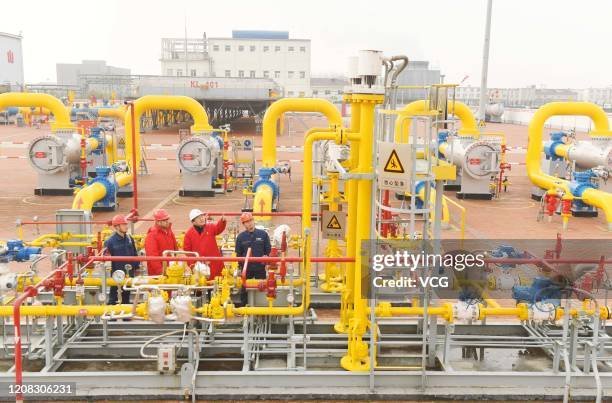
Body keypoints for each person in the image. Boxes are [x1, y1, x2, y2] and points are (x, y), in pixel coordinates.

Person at [235, 212, 271, 305]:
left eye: (250, 220)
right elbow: (238, 254)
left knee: (262, 287)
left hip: (260, 267)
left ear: (253, 220)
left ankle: (261, 308)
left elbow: (268, 250)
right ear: (243, 224)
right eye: (246, 222)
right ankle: (244, 309)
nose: (249, 223)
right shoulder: (240, 237)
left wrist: (266, 257)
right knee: (244, 289)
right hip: (246, 269)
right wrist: (240, 267)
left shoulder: (263, 234)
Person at [104, 214, 139, 304]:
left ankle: (125, 317)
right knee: (113, 298)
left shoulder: (129, 238)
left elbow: (135, 254)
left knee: (126, 297)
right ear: (116, 227)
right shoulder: (110, 242)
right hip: (117, 276)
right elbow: (106, 259)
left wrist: (136, 267)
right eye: (124, 224)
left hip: (128, 274)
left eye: (126, 224)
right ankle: (111, 316)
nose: (126, 226)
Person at [183, 209, 227, 279]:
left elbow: (218, 228)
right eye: (198, 218)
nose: (201, 219)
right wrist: (193, 265)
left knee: (217, 284)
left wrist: (222, 221)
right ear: (193, 222)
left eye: (202, 216)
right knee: (202, 285)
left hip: (214, 263)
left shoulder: (210, 227)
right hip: (200, 267)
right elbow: (188, 252)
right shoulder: (189, 234)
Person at [144, 209, 177, 276]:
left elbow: (175, 250)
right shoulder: (152, 236)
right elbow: (152, 256)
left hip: (171, 271)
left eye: (167, 219)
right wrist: (161, 271)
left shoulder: (169, 232)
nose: (167, 221)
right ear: (158, 222)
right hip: (159, 276)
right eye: (164, 220)